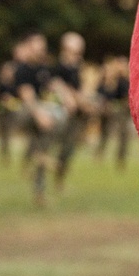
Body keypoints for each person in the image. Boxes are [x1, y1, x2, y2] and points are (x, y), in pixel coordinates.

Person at [14, 32, 73, 206]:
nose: (41, 49)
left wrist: (66, 96)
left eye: (42, 45)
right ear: (28, 47)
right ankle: (35, 152)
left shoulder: (44, 68)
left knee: (54, 123)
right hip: (25, 113)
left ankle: (39, 190)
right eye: (37, 45)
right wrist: (39, 114)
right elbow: (27, 95)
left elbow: (55, 84)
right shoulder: (22, 69)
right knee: (49, 116)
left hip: (41, 114)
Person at [53, 32, 89, 189]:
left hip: (75, 115)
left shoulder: (76, 68)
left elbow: (79, 90)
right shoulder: (57, 68)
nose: (78, 56)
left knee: (68, 149)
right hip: (61, 113)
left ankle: (59, 176)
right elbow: (57, 85)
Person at [96, 56, 132, 168]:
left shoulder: (127, 81)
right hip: (111, 111)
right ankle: (100, 153)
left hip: (123, 112)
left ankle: (120, 159)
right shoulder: (113, 80)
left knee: (123, 135)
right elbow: (106, 94)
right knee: (104, 133)